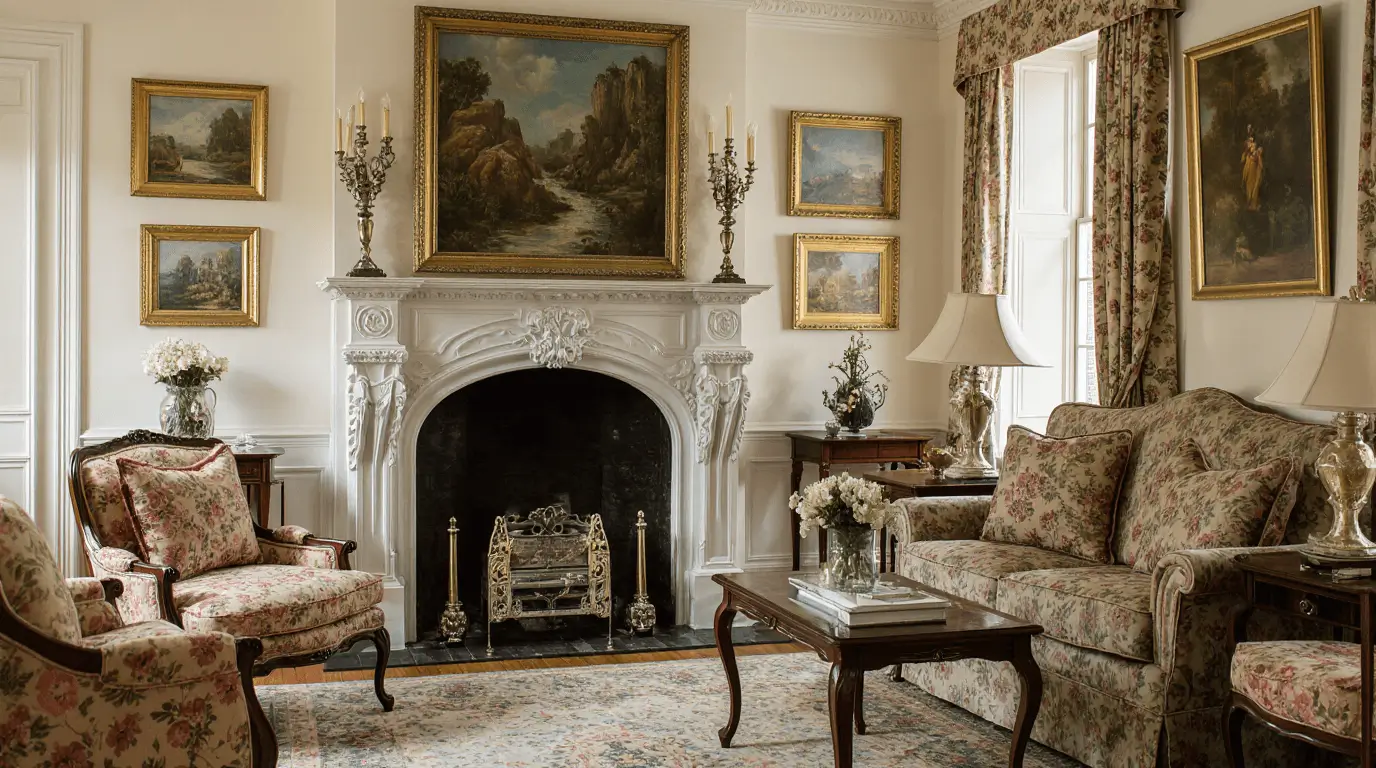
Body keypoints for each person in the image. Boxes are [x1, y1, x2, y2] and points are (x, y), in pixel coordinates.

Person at [1242, 126, 1264, 211]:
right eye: (1248, 130)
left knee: (1254, 185)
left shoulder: (1255, 145)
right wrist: (1248, 152)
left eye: (1250, 130)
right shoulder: (1247, 143)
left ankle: (1253, 204)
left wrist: (1256, 154)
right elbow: (1246, 153)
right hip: (1249, 165)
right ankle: (1249, 202)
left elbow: (1257, 155)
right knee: (1248, 184)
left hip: (1254, 167)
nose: (1250, 131)